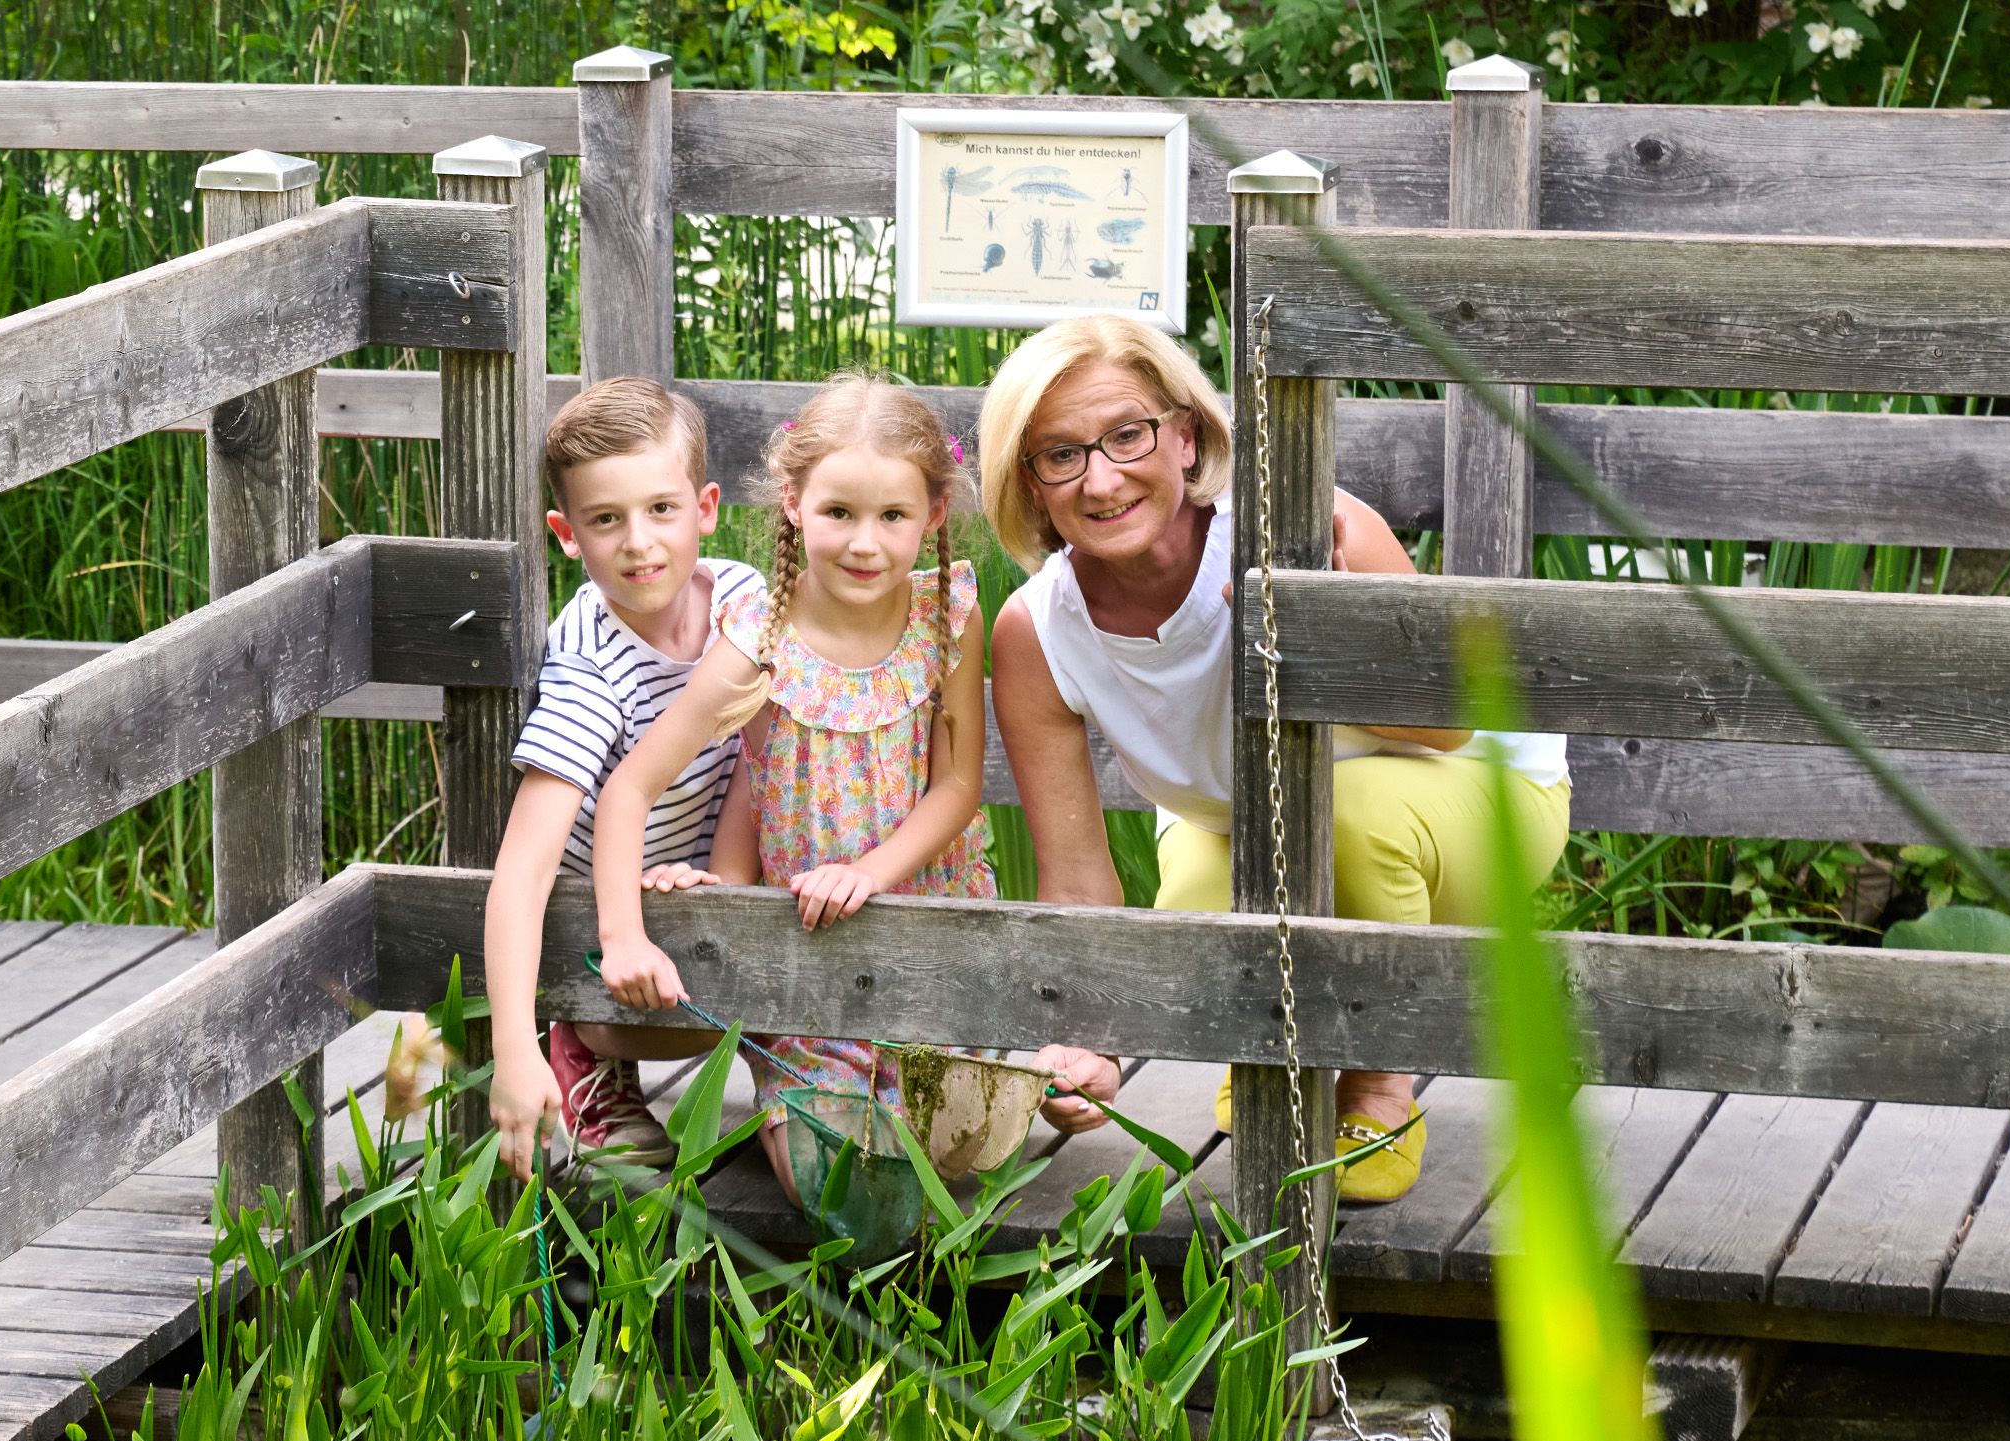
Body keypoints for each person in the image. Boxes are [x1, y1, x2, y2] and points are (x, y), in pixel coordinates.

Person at [979, 314, 1571, 1204]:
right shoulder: (1036, 629)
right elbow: (1074, 880)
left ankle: (1376, 1087)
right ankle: (1275, 1066)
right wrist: (1089, 1040)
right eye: (1060, 455)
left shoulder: (1301, 527)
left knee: (1348, 813)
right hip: (1259, 826)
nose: (1100, 479)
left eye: (1126, 435)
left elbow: (1448, 725)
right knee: (1189, 874)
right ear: (1027, 483)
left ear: (1184, 435)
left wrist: (1326, 629)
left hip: (1479, 798)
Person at [591, 373, 994, 1203]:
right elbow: (631, 787)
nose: (865, 543)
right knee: (835, 1186)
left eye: (894, 516)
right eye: (838, 512)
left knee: (949, 1164)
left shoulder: (947, 617)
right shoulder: (759, 639)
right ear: (793, 503)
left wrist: (869, 874)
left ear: (936, 515)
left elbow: (957, 785)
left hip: (929, 942)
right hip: (802, 964)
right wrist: (634, 930)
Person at [483, 377, 763, 1182]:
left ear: (705, 508)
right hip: (610, 912)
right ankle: (584, 1050)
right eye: (607, 520)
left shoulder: (743, 599)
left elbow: (772, 754)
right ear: (568, 535)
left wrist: (730, 875)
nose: (640, 542)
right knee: (644, 1008)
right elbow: (524, 870)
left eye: (661, 511)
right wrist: (513, 1053)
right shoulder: (591, 665)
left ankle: (797, 1061)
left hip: (711, 868)